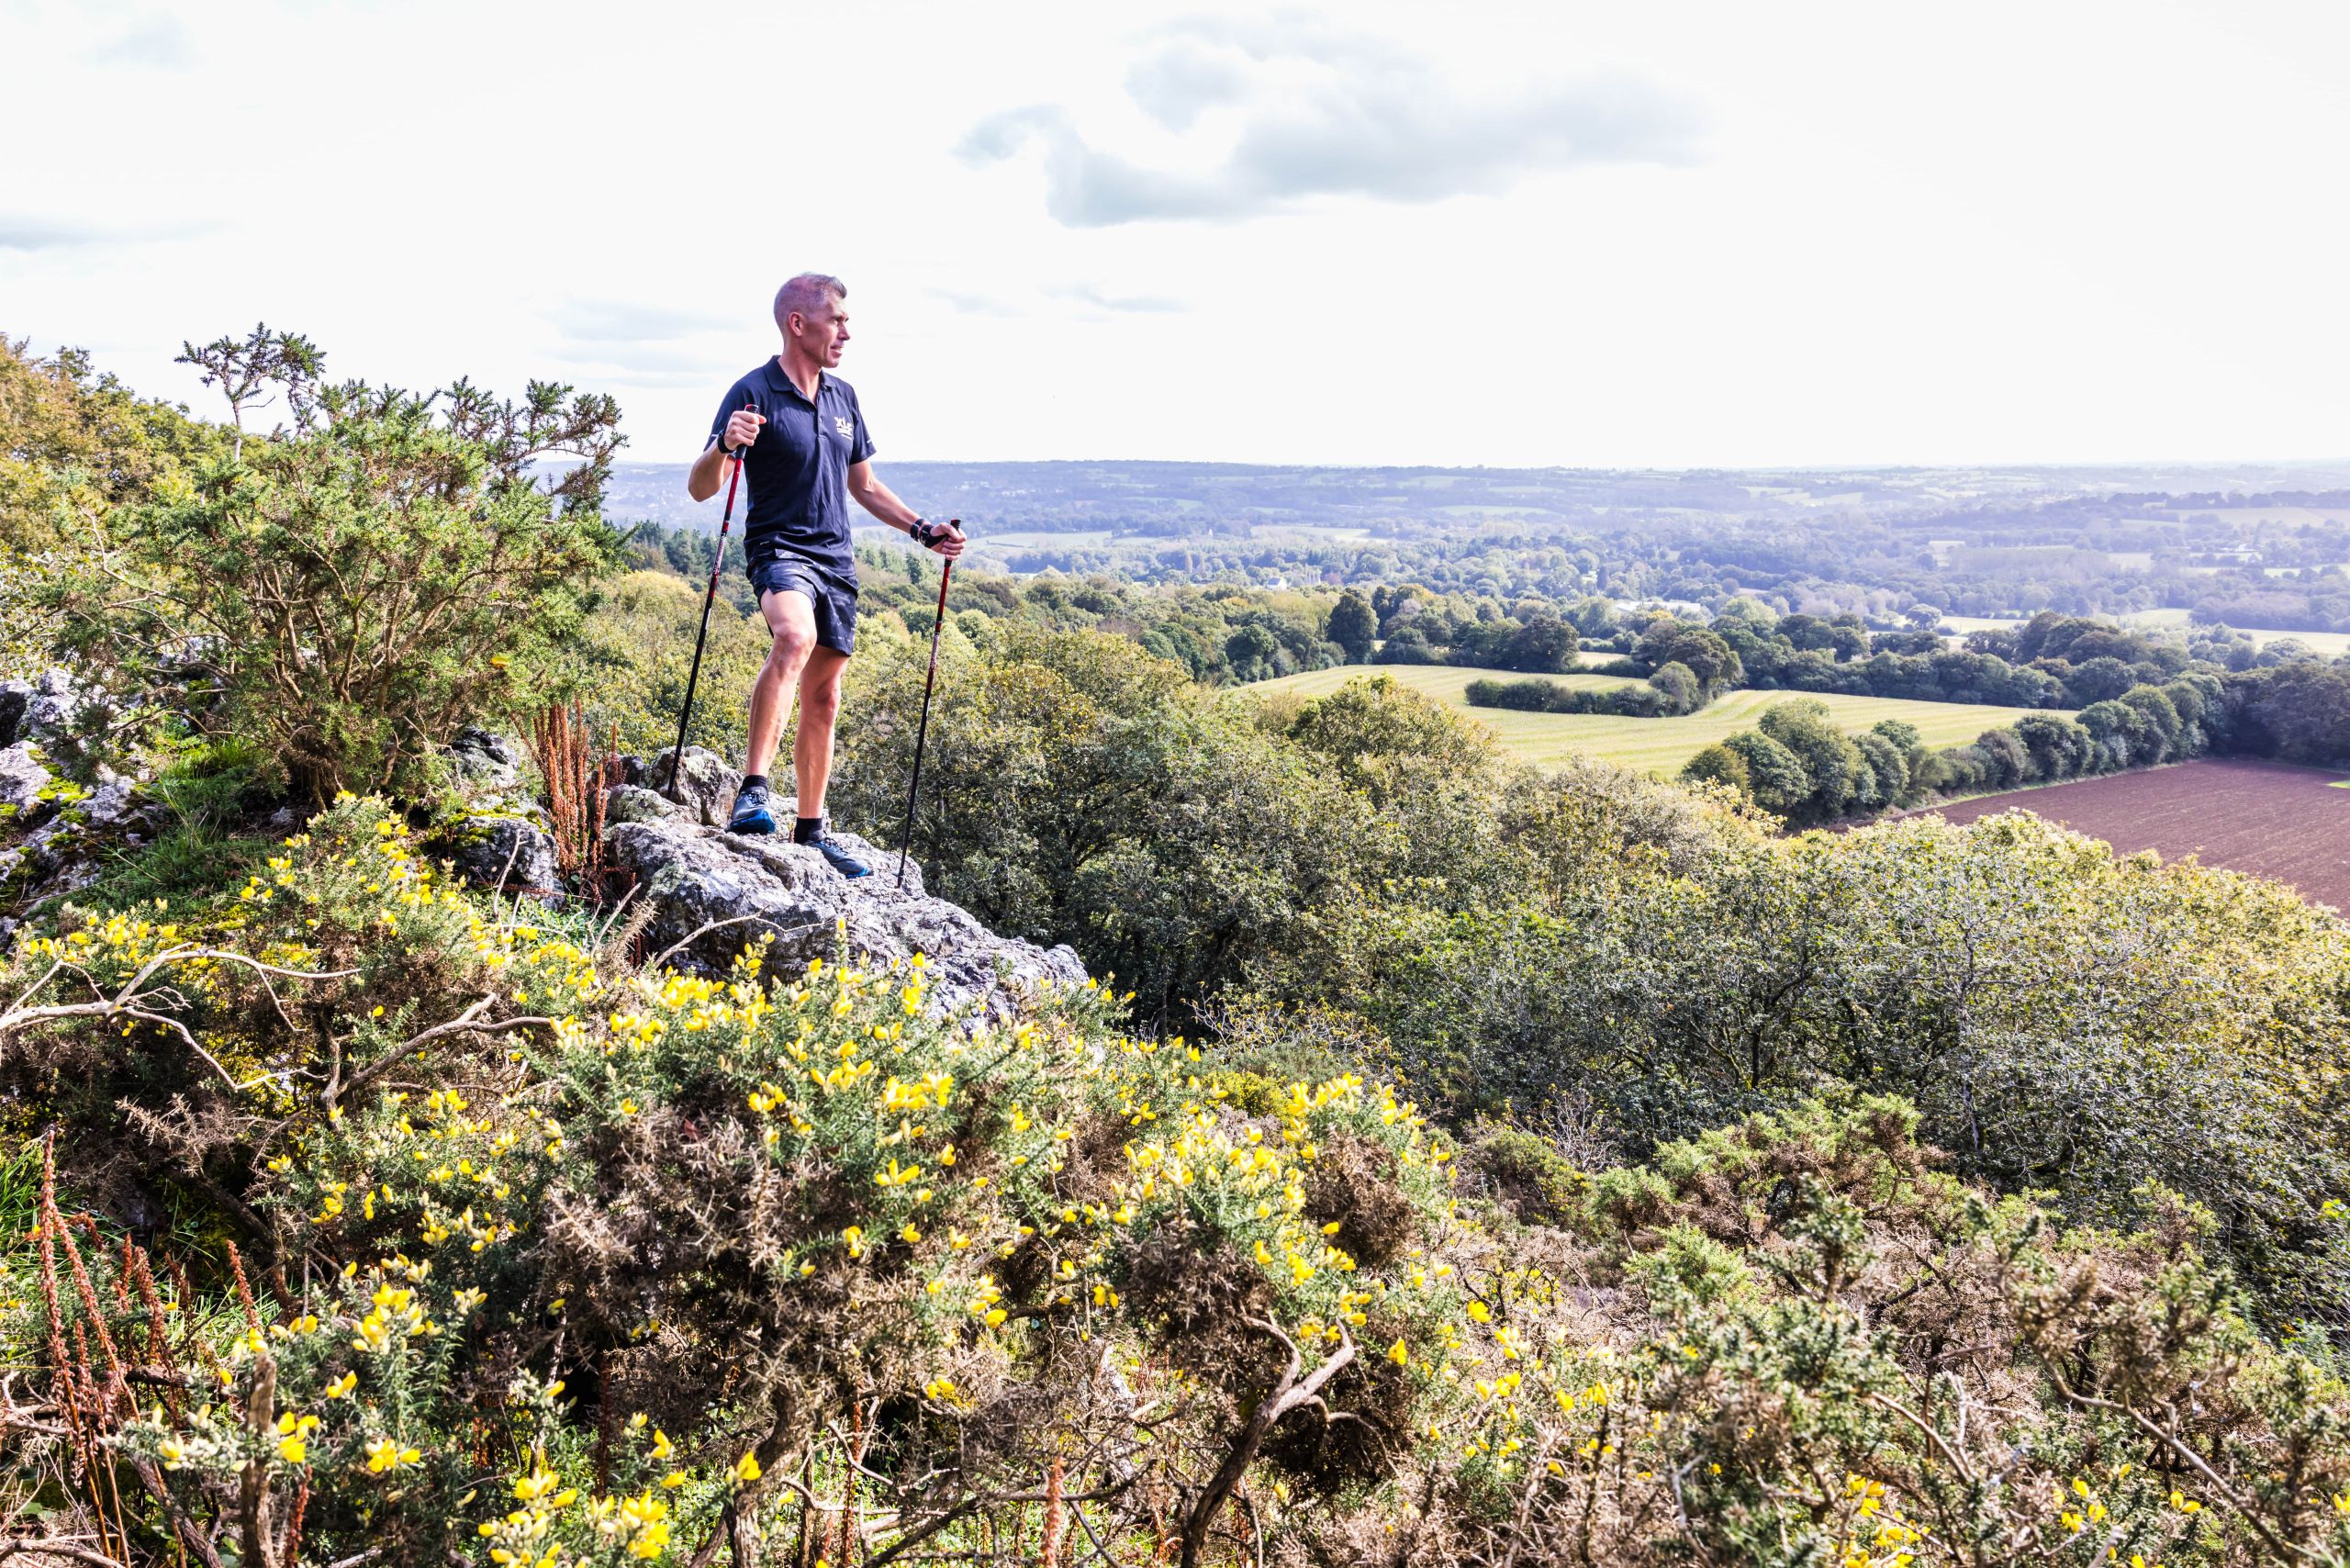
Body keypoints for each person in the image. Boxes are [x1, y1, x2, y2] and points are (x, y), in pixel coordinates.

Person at [687, 273, 965, 875]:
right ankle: (753, 793)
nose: (846, 331)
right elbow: (702, 488)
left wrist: (924, 529)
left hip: (835, 559)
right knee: (793, 636)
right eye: (836, 318)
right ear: (798, 324)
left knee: (825, 695)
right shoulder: (753, 391)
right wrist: (723, 447)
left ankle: (812, 829)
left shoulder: (844, 399)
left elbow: (863, 485)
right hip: (779, 547)